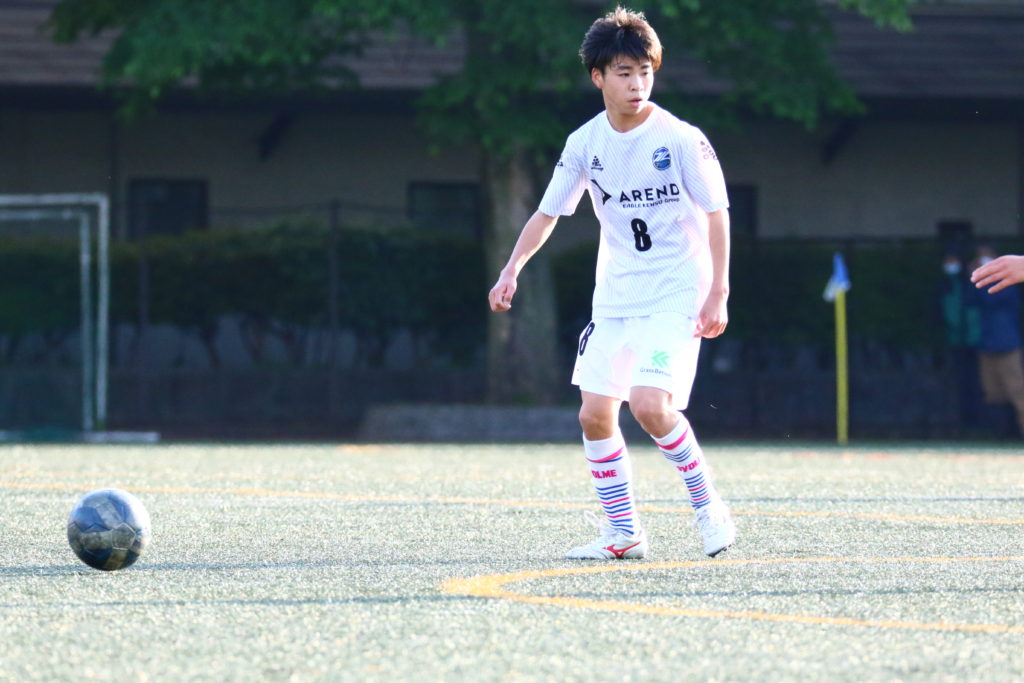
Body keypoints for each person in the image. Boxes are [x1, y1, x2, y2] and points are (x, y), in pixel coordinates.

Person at [487, 6, 735, 559]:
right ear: (598, 77)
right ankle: (624, 533)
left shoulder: (681, 139)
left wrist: (718, 291)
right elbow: (548, 212)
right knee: (594, 413)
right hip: (617, 297)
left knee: (648, 404)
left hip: (676, 292)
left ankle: (708, 505)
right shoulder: (584, 143)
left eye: (645, 72)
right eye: (624, 73)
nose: (637, 84)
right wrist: (511, 269)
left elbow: (717, 213)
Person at [968, 246, 1024, 438]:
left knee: (1017, 390)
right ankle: (1001, 433)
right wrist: (973, 277)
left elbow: (996, 298)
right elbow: (971, 301)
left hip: (1008, 344)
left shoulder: (1008, 284)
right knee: (993, 393)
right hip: (987, 344)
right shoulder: (978, 289)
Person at [939, 248, 981, 435]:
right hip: (954, 342)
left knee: (977, 385)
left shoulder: (970, 283)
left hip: (975, 342)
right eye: (948, 260)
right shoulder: (944, 285)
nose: (951, 265)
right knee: (956, 385)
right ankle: (960, 425)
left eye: (954, 260)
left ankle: (978, 425)